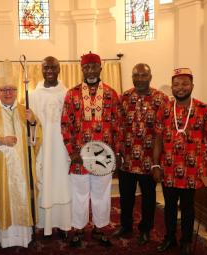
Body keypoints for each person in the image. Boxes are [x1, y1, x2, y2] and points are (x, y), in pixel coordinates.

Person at [153, 68, 207, 255]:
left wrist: (200, 140)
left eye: (185, 84)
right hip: (168, 168)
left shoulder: (204, 109)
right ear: (172, 87)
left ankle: (185, 241)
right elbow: (158, 139)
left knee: (188, 208)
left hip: (192, 171)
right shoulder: (165, 109)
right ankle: (169, 239)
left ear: (192, 85)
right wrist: (155, 165)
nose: (180, 88)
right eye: (176, 84)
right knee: (169, 207)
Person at [0, 60, 42, 248]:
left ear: (16, 91)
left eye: (11, 89)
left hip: (22, 169)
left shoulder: (25, 111)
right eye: (4, 90)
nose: (8, 93)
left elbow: (36, 139)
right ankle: (2, 238)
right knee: (3, 200)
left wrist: (33, 123)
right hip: (0, 170)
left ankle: (23, 237)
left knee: (22, 196)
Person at [61, 52, 122, 247]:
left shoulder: (112, 94)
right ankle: (78, 229)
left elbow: (118, 125)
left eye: (94, 66)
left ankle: (99, 228)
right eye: (86, 67)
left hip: (103, 157)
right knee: (78, 194)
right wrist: (72, 152)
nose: (90, 70)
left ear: (100, 68)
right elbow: (64, 124)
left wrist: (116, 153)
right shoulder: (72, 94)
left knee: (101, 194)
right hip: (80, 156)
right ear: (82, 70)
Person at [112, 63, 169, 245]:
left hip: (149, 160)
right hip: (127, 158)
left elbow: (165, 131)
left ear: (150, 77)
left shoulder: (161, 99)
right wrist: (118, 152)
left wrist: (159, 162)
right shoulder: (125, 97)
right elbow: (118, 126)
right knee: (125, 196)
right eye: (136, 75)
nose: (140, 79)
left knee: (149, 197)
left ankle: (145, 229)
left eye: (143, 76)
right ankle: (126, 226)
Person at [30, 56, 71, 240]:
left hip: (61, 147)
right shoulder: (33, 95)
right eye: (46, 67)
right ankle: (44, 224)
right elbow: (30, 125)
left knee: (62, 183)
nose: (49, 71)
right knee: (44, 181)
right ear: (41, 69)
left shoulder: (67, 94)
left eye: (53, 67)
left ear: (59, 68)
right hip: (43, 147)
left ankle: (63, 224)